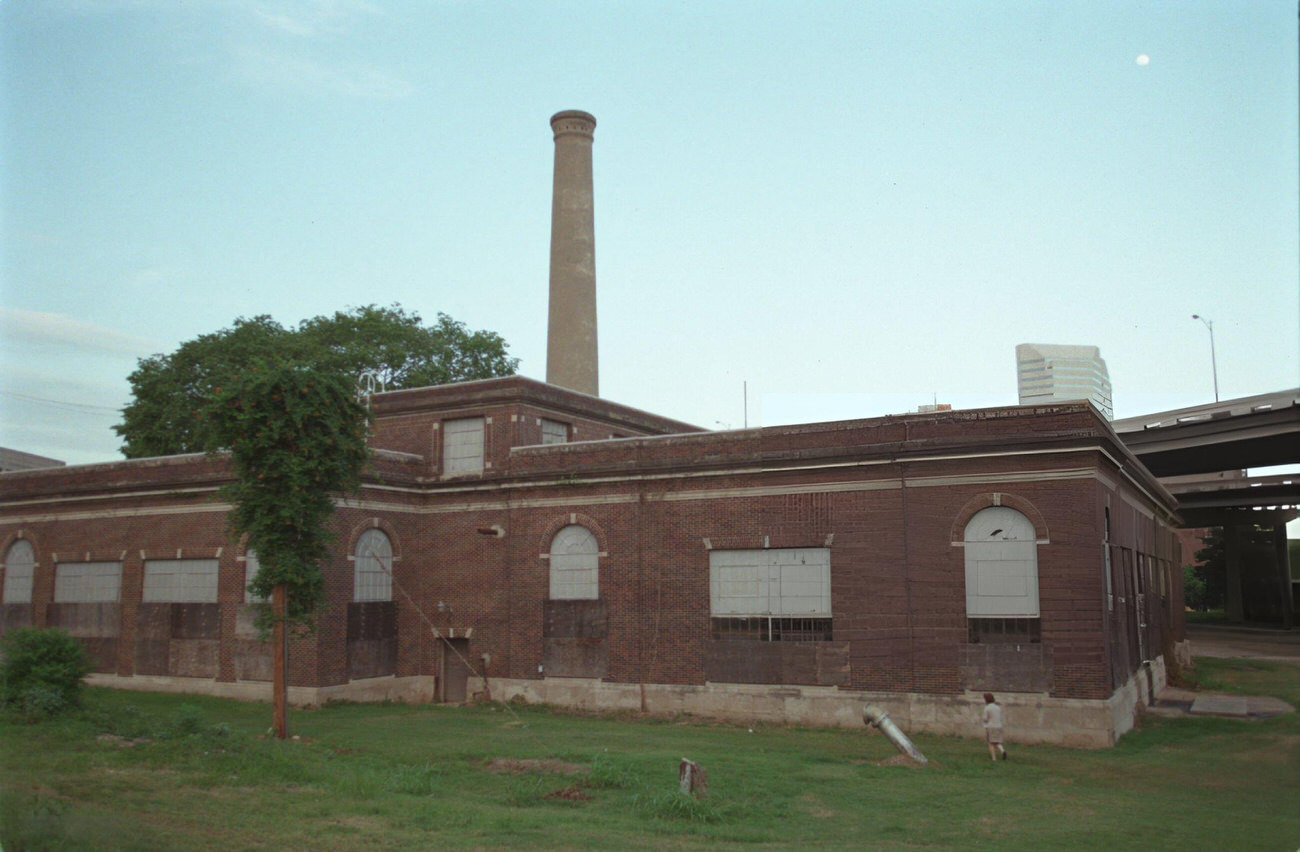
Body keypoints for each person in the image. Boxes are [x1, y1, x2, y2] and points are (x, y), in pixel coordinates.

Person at [982, 693, 1007, 761]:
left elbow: (985, 718)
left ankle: (994, 758)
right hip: (999, 726)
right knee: (997, 741)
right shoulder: (997, 707)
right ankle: (1002, 750)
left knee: (991, 743)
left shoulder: (987, 708)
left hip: (991, 726)